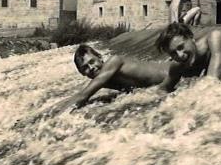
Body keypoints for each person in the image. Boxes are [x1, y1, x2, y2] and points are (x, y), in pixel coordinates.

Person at [41, 44, 187, 116]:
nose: (91, 68)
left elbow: (83, 96)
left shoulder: (114, 62)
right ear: (82, 73)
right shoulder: (105, 79)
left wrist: (52, 115)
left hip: (178, 72)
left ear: (100, 57)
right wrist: (48, 110)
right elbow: (79, 95)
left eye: (92, 62)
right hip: (173, 82)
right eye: (85, 68)